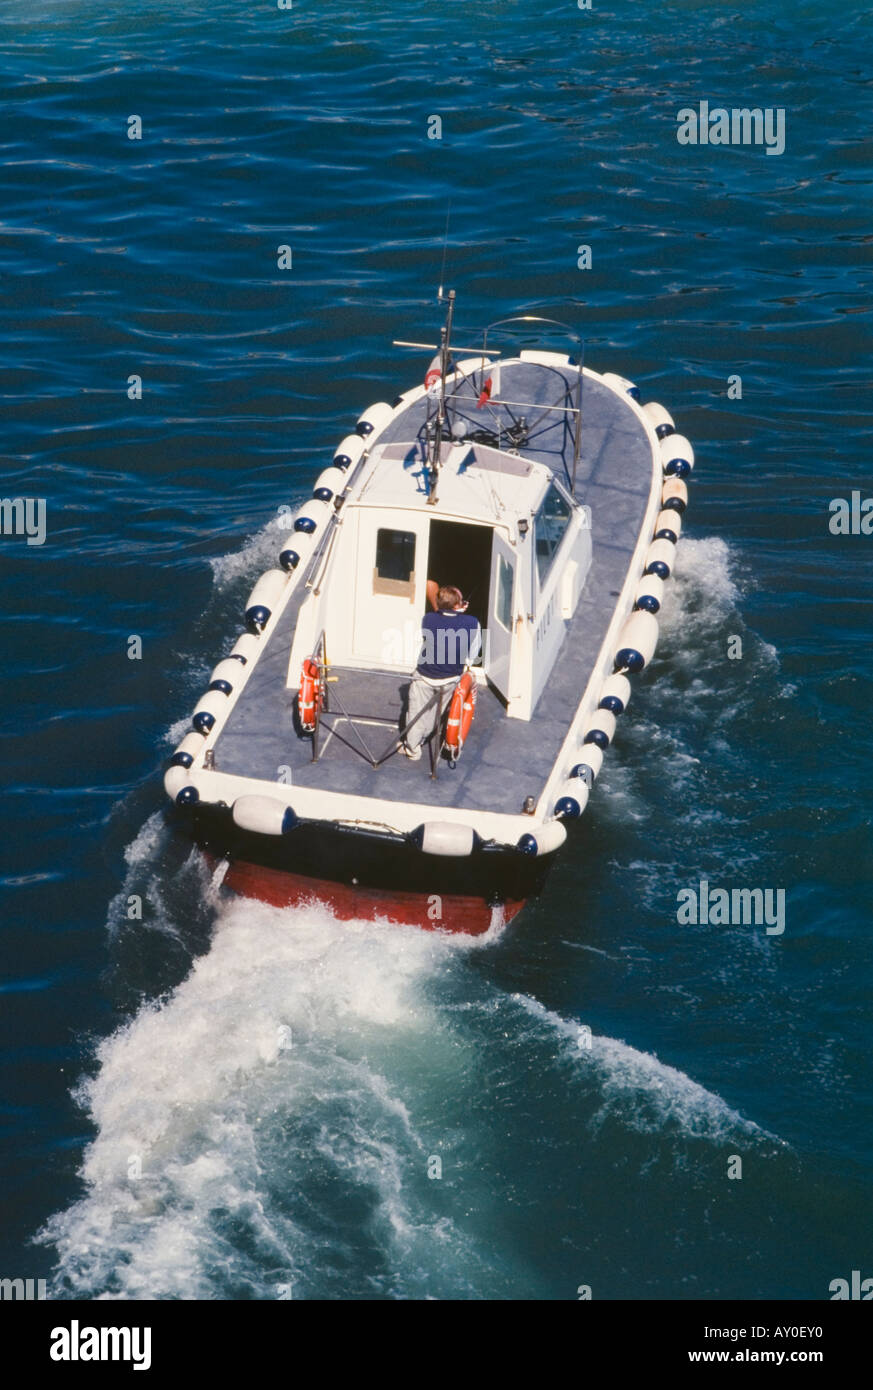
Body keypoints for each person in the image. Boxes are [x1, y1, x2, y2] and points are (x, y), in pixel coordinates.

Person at [401, 585, 481, 761]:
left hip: (424, 676)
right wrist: (460, 613)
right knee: (434, 713)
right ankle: (421, 740)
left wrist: (454, 610)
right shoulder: (472, 623)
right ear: (458, 605)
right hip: (449, 680)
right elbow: (472, 655)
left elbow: (437, 625)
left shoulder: (428, 619)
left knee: (416, 712)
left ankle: (413, 748)